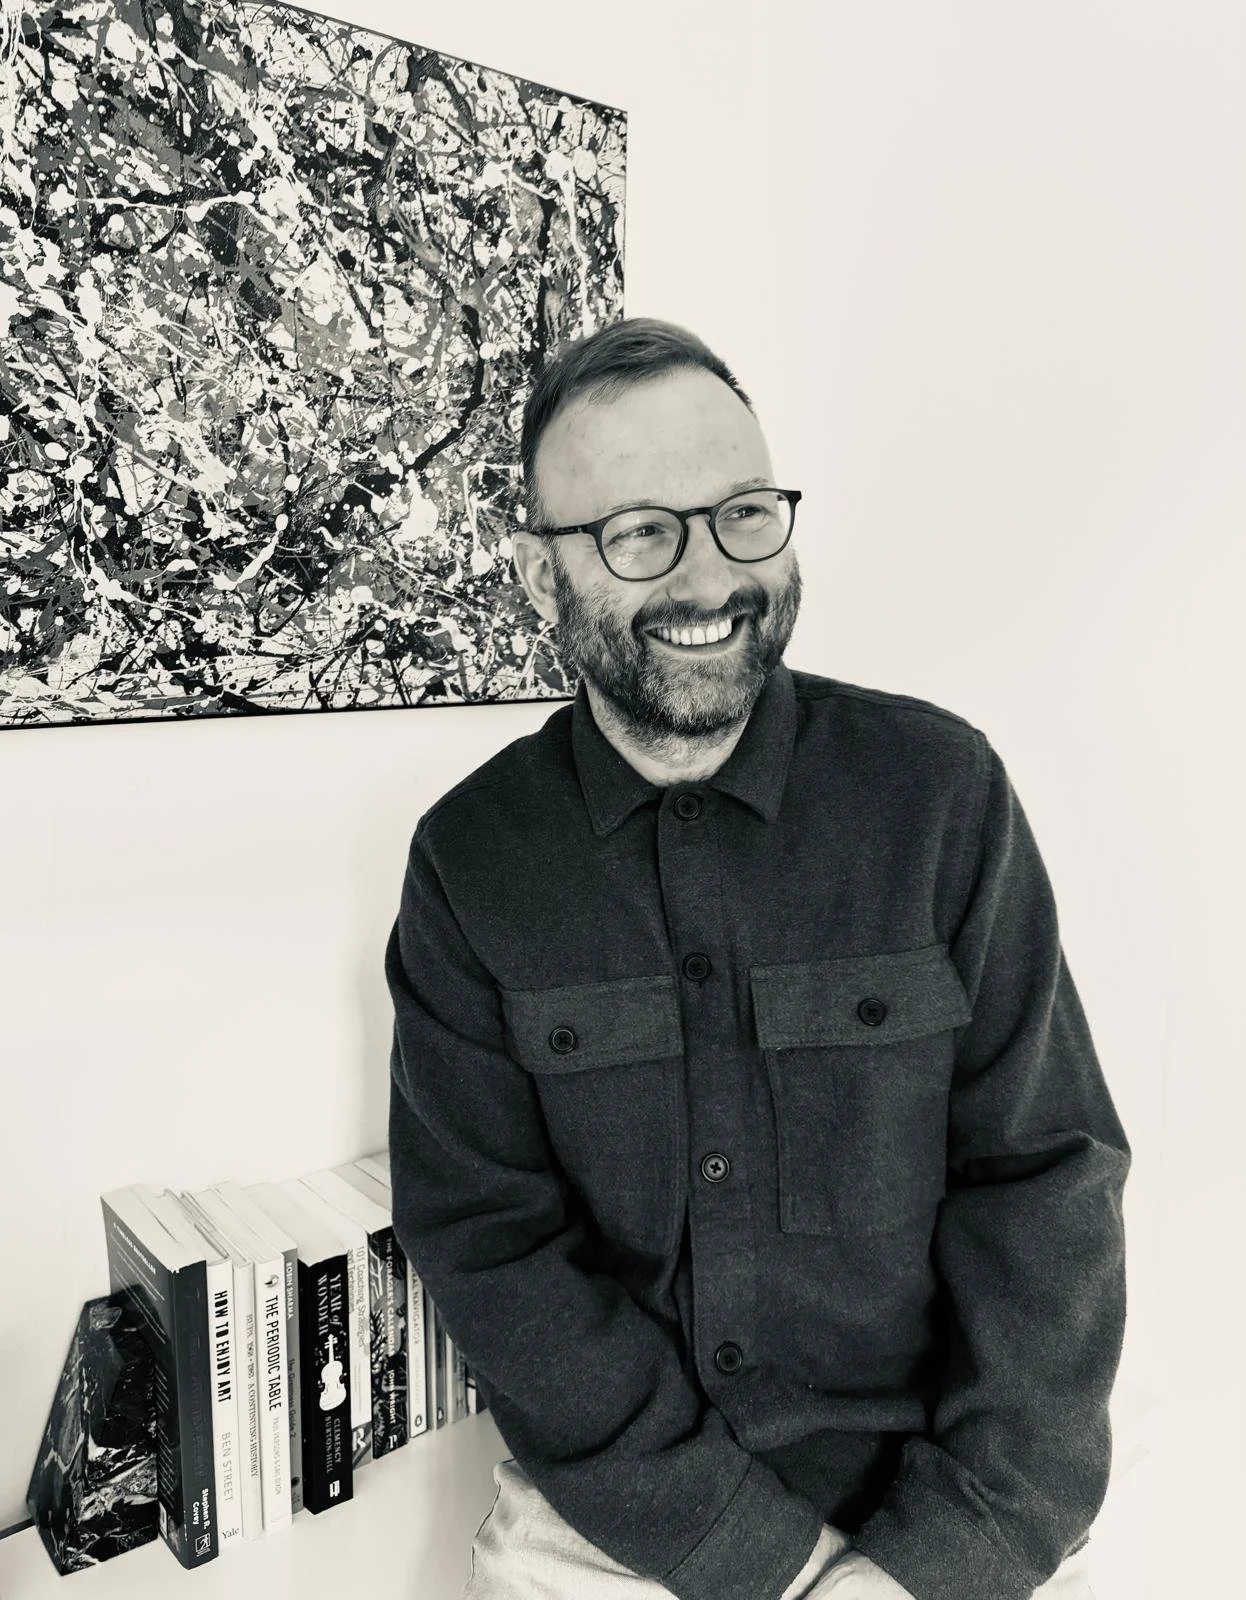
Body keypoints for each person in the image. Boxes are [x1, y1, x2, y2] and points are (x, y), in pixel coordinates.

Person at [384, 318, 1129, 1600]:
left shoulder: (939, 794)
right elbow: (491, 1246)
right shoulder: (471, 859)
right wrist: (763, 1558)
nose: (708, 577)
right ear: (536, 575)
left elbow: (1045, 1180)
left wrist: (942, 1555)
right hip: (619, 1517)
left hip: (943, 1497)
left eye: (741, 513)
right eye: (639, 530)